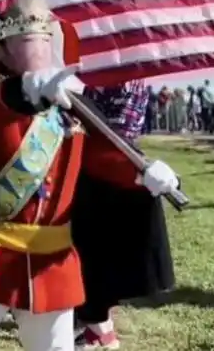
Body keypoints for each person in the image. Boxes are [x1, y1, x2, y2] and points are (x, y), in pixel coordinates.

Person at [0, 0, 180, 351]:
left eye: (46, 38)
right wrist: (26, 91)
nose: (40, 47)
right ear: (0, 48)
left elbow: (101, 155)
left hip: (52, 263)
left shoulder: (69, 99)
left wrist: (141, 173)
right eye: (28, 39)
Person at [73, 81, 175, 349]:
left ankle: (98, 327)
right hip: (110, 161)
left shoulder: (121, 77)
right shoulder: (116, 74)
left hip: (108, 163)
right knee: (95, 258)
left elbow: (108, 130)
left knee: (93, 257)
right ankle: (97, 326)